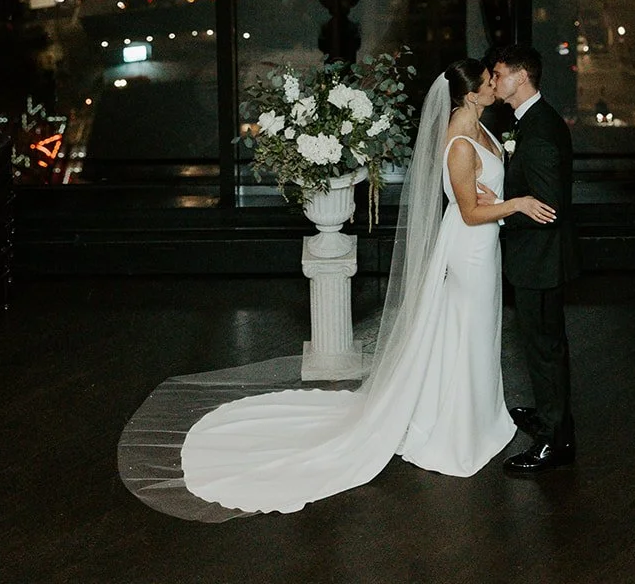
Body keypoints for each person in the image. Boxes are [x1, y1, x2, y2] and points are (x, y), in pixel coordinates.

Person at [123, 61, 555, 515]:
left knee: (476, 331)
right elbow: (467, 212)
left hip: (483, 248)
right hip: (468, 250)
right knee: (469, 330)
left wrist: (493, 196)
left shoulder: (479, 127)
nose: (493, 87)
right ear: (468, 94)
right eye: (487, 83)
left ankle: (482, 415)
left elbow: (471, 193)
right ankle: (461, 429)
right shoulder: (461, 141)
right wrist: (516, 204)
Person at [491, 46, 579, 477]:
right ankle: (551, 419)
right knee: (545, 347)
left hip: (540, 261)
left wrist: (504, 212)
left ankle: (555, 442)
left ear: (521, 77)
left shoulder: (539, 129)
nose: (494, 81)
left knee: (544, 350)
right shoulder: (533, 120)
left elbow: (548, 207)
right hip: (539, 259)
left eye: (499, 74)